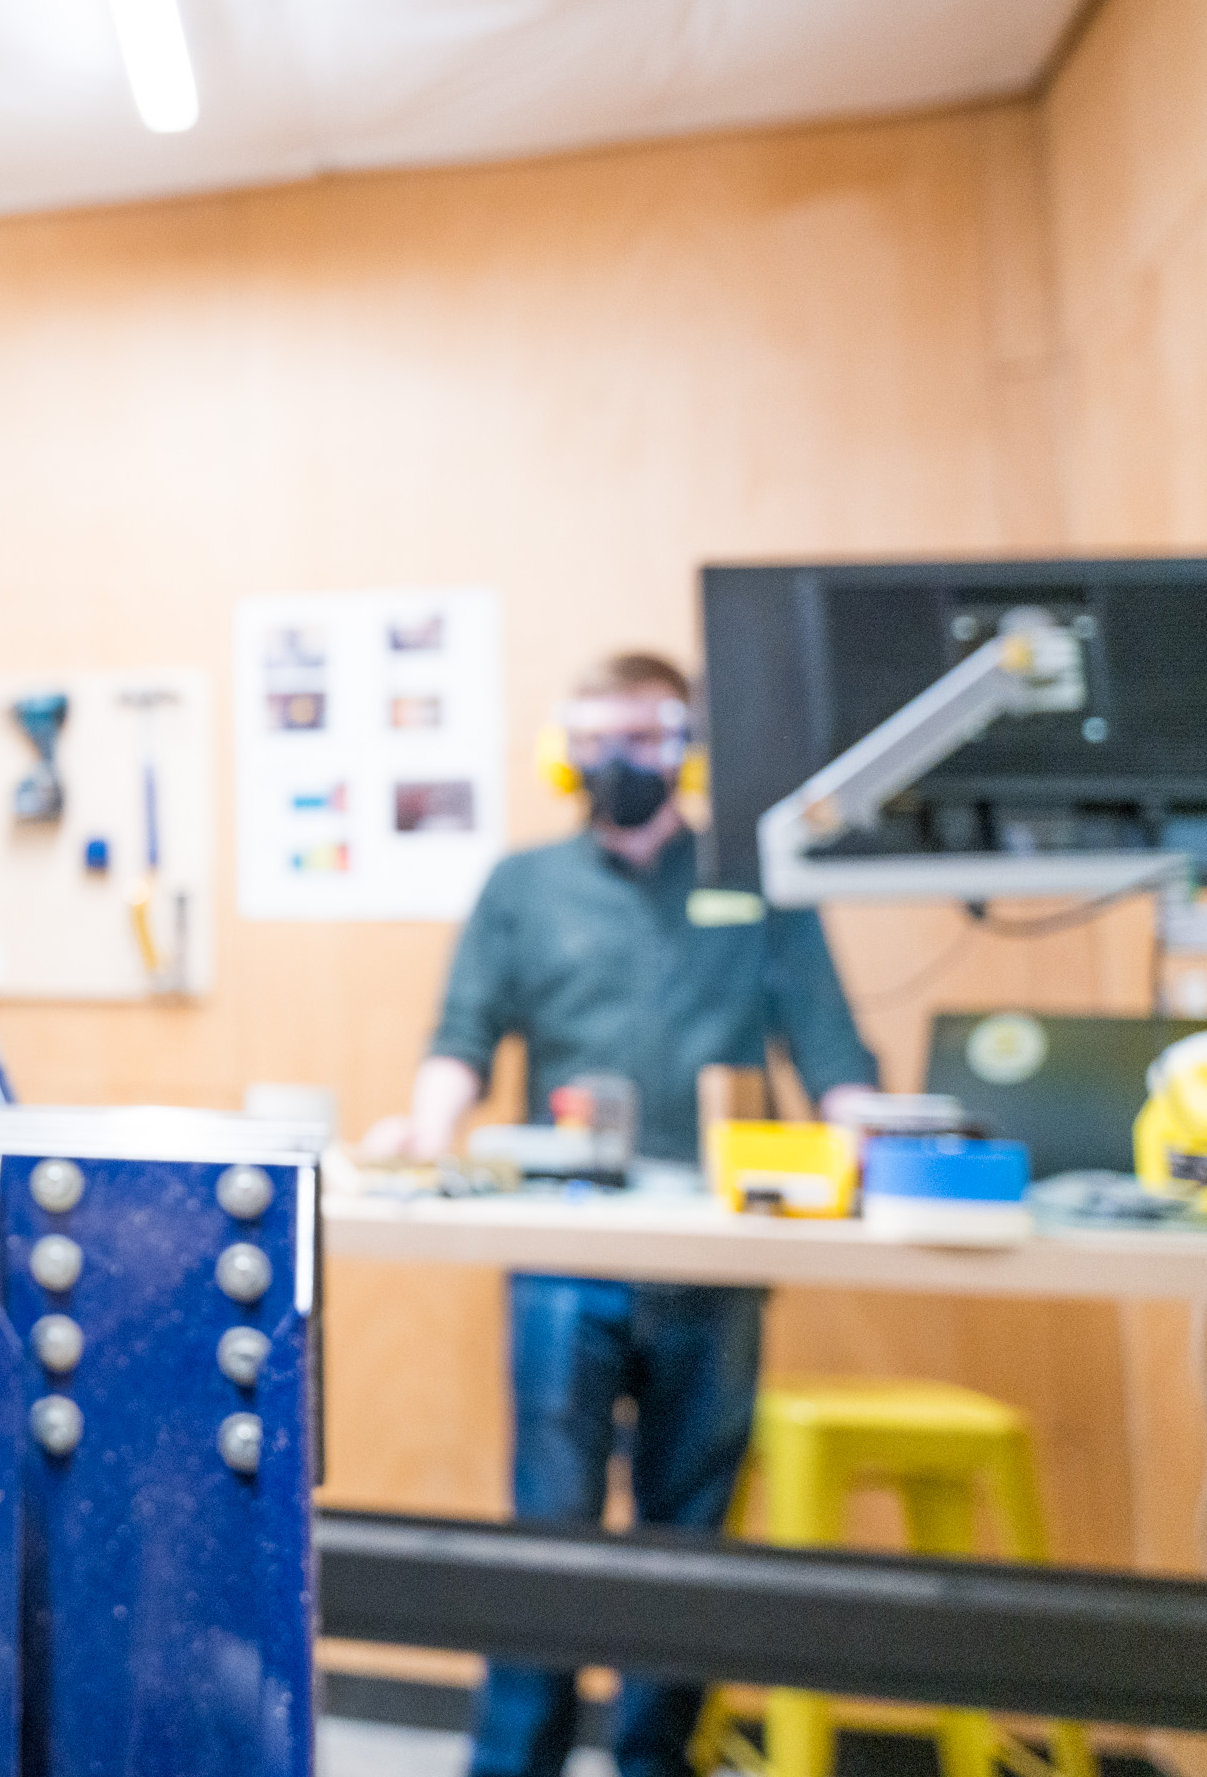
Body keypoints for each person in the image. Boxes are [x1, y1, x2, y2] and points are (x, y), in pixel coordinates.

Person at [364, 650, 879, 1777]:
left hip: (716, 1250)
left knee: (689, 1546)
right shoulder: (523, 887)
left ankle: (655, 1760)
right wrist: (425, 1128)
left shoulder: (759, 881)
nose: (620, 760)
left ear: (686, 742)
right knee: (547, 1534)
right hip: (565, 1255)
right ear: (566, 747)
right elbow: (461, 1035)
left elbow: (833, 1048)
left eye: (644, 736)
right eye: (597, 736)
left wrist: (880, 1132)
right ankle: (517, 1761)